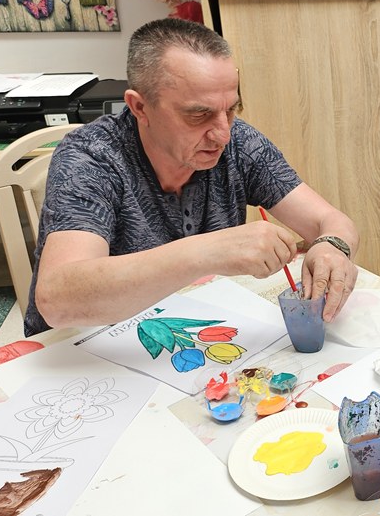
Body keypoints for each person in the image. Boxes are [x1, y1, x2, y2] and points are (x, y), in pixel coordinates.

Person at [25, 18, 358, 337]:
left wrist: (333, 246)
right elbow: (58, 301)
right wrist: (208, 252)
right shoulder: (92, 157)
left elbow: (329, 221)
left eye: (231, 109)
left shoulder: (239, 142)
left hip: (192, 331)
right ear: (140, 107)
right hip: (87, 349)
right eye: (199, 114)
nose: (222, 134)